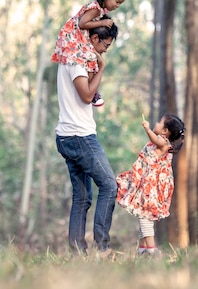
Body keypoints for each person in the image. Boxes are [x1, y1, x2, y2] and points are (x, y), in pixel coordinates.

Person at [55, 22, 119, 257]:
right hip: (79, 136)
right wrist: (101, 68)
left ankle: (77, 253)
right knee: (109, 186)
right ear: (93, 39)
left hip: (68, 135)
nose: (105, 50)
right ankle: (102, 247)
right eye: (105, 45)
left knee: (82, 197)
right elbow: (86, 95)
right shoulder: (76, 60)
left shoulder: (72, 56)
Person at [51, 0, 128, 106]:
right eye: (117, 1)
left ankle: (93, 90)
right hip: (74, 39)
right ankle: (92, 92)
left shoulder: (99, 10)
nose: (117, 6)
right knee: (91, 57)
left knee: (91, 58)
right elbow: (82, 23)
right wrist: (102, 22)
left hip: (80, 38)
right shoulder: (96, 9)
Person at [116, 113, 185, 257]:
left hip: (150, 187)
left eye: (160, 122)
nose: (156, 123)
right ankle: (142, 248)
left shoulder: (163, 143)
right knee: (143, 215)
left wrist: (147, 129)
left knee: (145, 217)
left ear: (165, 131)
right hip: (145, 183)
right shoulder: (162, 143)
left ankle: (152, 249)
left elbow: (156, 140)